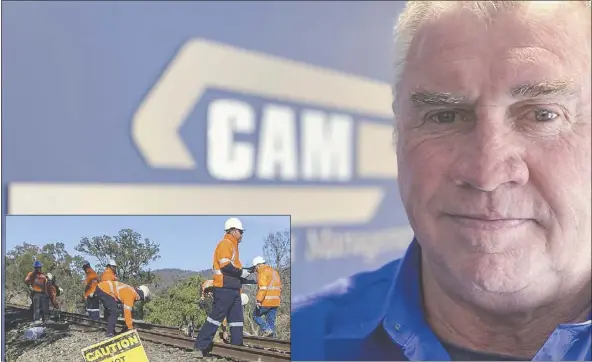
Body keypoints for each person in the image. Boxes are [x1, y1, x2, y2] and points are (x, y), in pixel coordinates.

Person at [291, 1, 592, 361]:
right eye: (445, 115)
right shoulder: (298, 342)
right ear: (398, 133)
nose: (486, 173)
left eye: (543, 115)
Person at [193, 217, 253, 357]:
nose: (242, 234)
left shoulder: (233, 246)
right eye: (240, 231)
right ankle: (199, 347)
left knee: (237, 320)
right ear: (233, 231)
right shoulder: (225, 244)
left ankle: (237, 349)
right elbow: (225, 266)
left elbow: (233, 267)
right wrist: (241, 272)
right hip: (224, 287)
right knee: (216, 317)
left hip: (233, 288)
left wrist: (246, 271)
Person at [251, 256, 282, 338]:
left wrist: (258, 300)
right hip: (275, 302)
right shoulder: (274, 272)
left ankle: (266, 329)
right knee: (271, 322)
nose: (256, 270)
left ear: (258, 265)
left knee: (255, 315)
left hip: (266, 301)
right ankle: (273, 342)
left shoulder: (262, 272)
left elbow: (263, 288)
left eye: (255, 267)